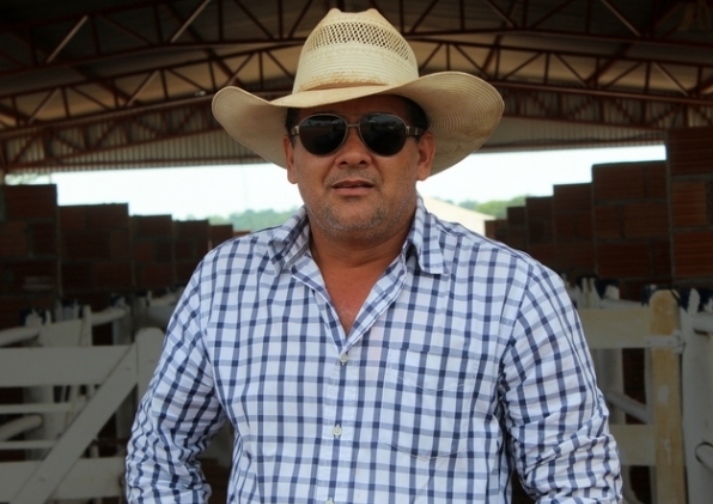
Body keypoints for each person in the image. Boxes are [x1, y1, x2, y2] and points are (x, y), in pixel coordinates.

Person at [125, 8, 622, 504]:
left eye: (382, 131)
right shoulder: (224, 281)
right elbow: (160, 449)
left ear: (422, 155)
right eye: (323, 132)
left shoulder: (517, 292)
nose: (353, 154)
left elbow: (579, 484)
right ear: (292, 157)